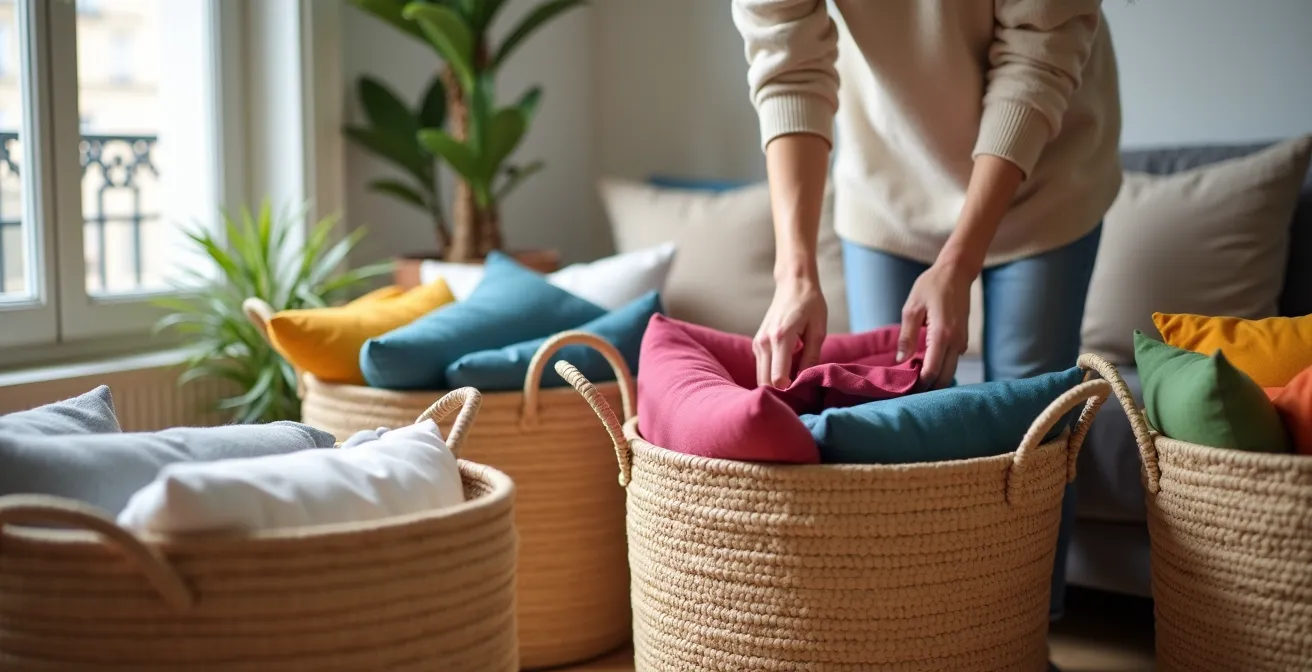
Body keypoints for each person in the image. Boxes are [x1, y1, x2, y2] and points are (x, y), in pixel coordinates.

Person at [731, 0, 1122, 662]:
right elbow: (788, 65)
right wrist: (795, 272)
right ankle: (912, 641)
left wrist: (957, 262)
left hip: (1043, 172)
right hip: (890, 177)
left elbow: (1036, 61)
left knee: (1030, 418)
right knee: (892, 424)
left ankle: (1026, 641)